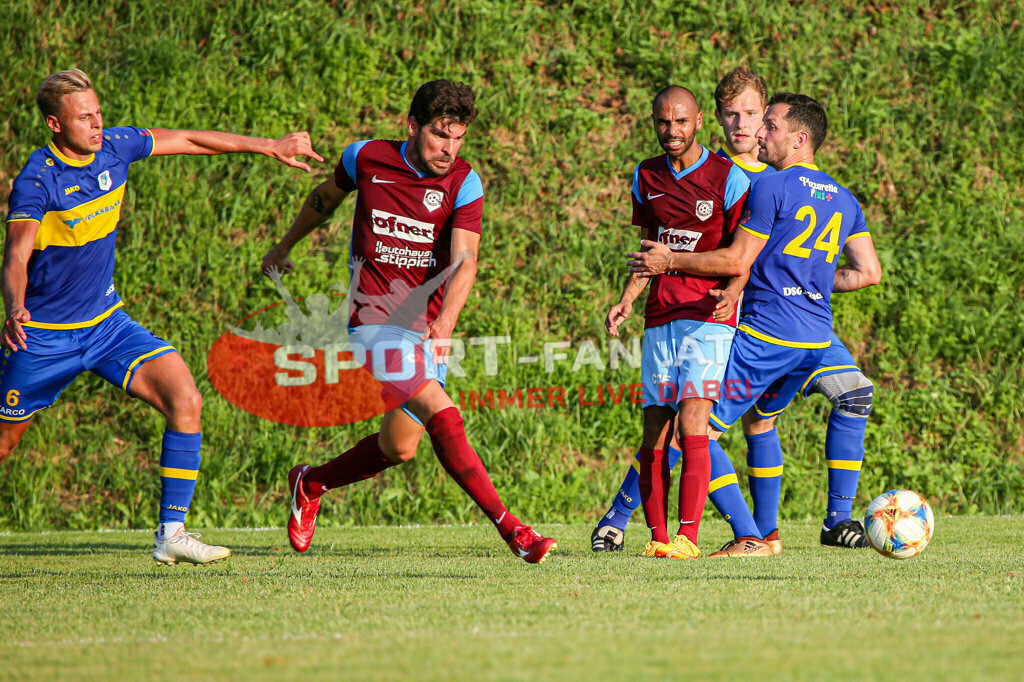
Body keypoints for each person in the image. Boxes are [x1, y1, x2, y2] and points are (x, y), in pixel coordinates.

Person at [2, 68, 322, 565]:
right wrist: (15, 307)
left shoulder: (116, 148)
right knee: (4, 443)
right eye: (83, 117)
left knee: (185, 398)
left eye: (99, 113)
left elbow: (190, 139)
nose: (96, 124)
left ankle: (172, 533)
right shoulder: (38, 180)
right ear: (54, 125)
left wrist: (267, 146)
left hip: (106, 326)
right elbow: (17, 254)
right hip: (42, 336)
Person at [265, 79, 557, 564]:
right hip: (373, 320)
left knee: (398, 447)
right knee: (445, 414)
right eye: (440, 135)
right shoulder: (365, 157)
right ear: (413, 125)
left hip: (426, 328)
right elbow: (324, 199)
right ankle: (515, 532)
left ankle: (310, 481)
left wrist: (444, 325)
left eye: (459, 137)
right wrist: (284, 246)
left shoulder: (464, 182)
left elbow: (466, 260)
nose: (449, 148)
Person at [592, 69, 879, 553]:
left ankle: (732, 531)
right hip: (812, 330)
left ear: (790, 133)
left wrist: (678, 263)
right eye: (737, 115)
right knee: (833, 400)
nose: (749, 127)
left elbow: (736, 260)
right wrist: (805, 282)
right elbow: (866, 272)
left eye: (760, 118)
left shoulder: (765, 184)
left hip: (760, 327)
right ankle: (813, 524)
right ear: (717, 119)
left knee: (691, 427)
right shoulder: (832, 193)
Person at [603, 85, 749, 560]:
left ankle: (688, 536)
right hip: (659, 315)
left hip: (707, 316)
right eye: (664, 122)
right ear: (653, 121)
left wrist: (735, 289)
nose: (672, 131)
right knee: (654, 433)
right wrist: (626, 299)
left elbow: (740, 252)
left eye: (681, 122)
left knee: (693, 420)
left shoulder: (727, 178)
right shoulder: (646, 175)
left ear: (699, 121)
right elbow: (651, 250)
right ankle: (659, 539)